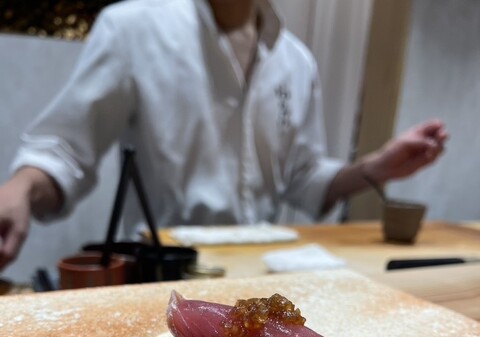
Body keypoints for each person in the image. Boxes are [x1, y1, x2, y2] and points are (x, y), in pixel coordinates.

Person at [0, 0, 447, 271]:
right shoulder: (134, 29)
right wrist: (19, 188)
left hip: (261, 272)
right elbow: (65, 149)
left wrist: (376, 167)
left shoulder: (296, 60)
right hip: (163, 272)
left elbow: (303, 177)